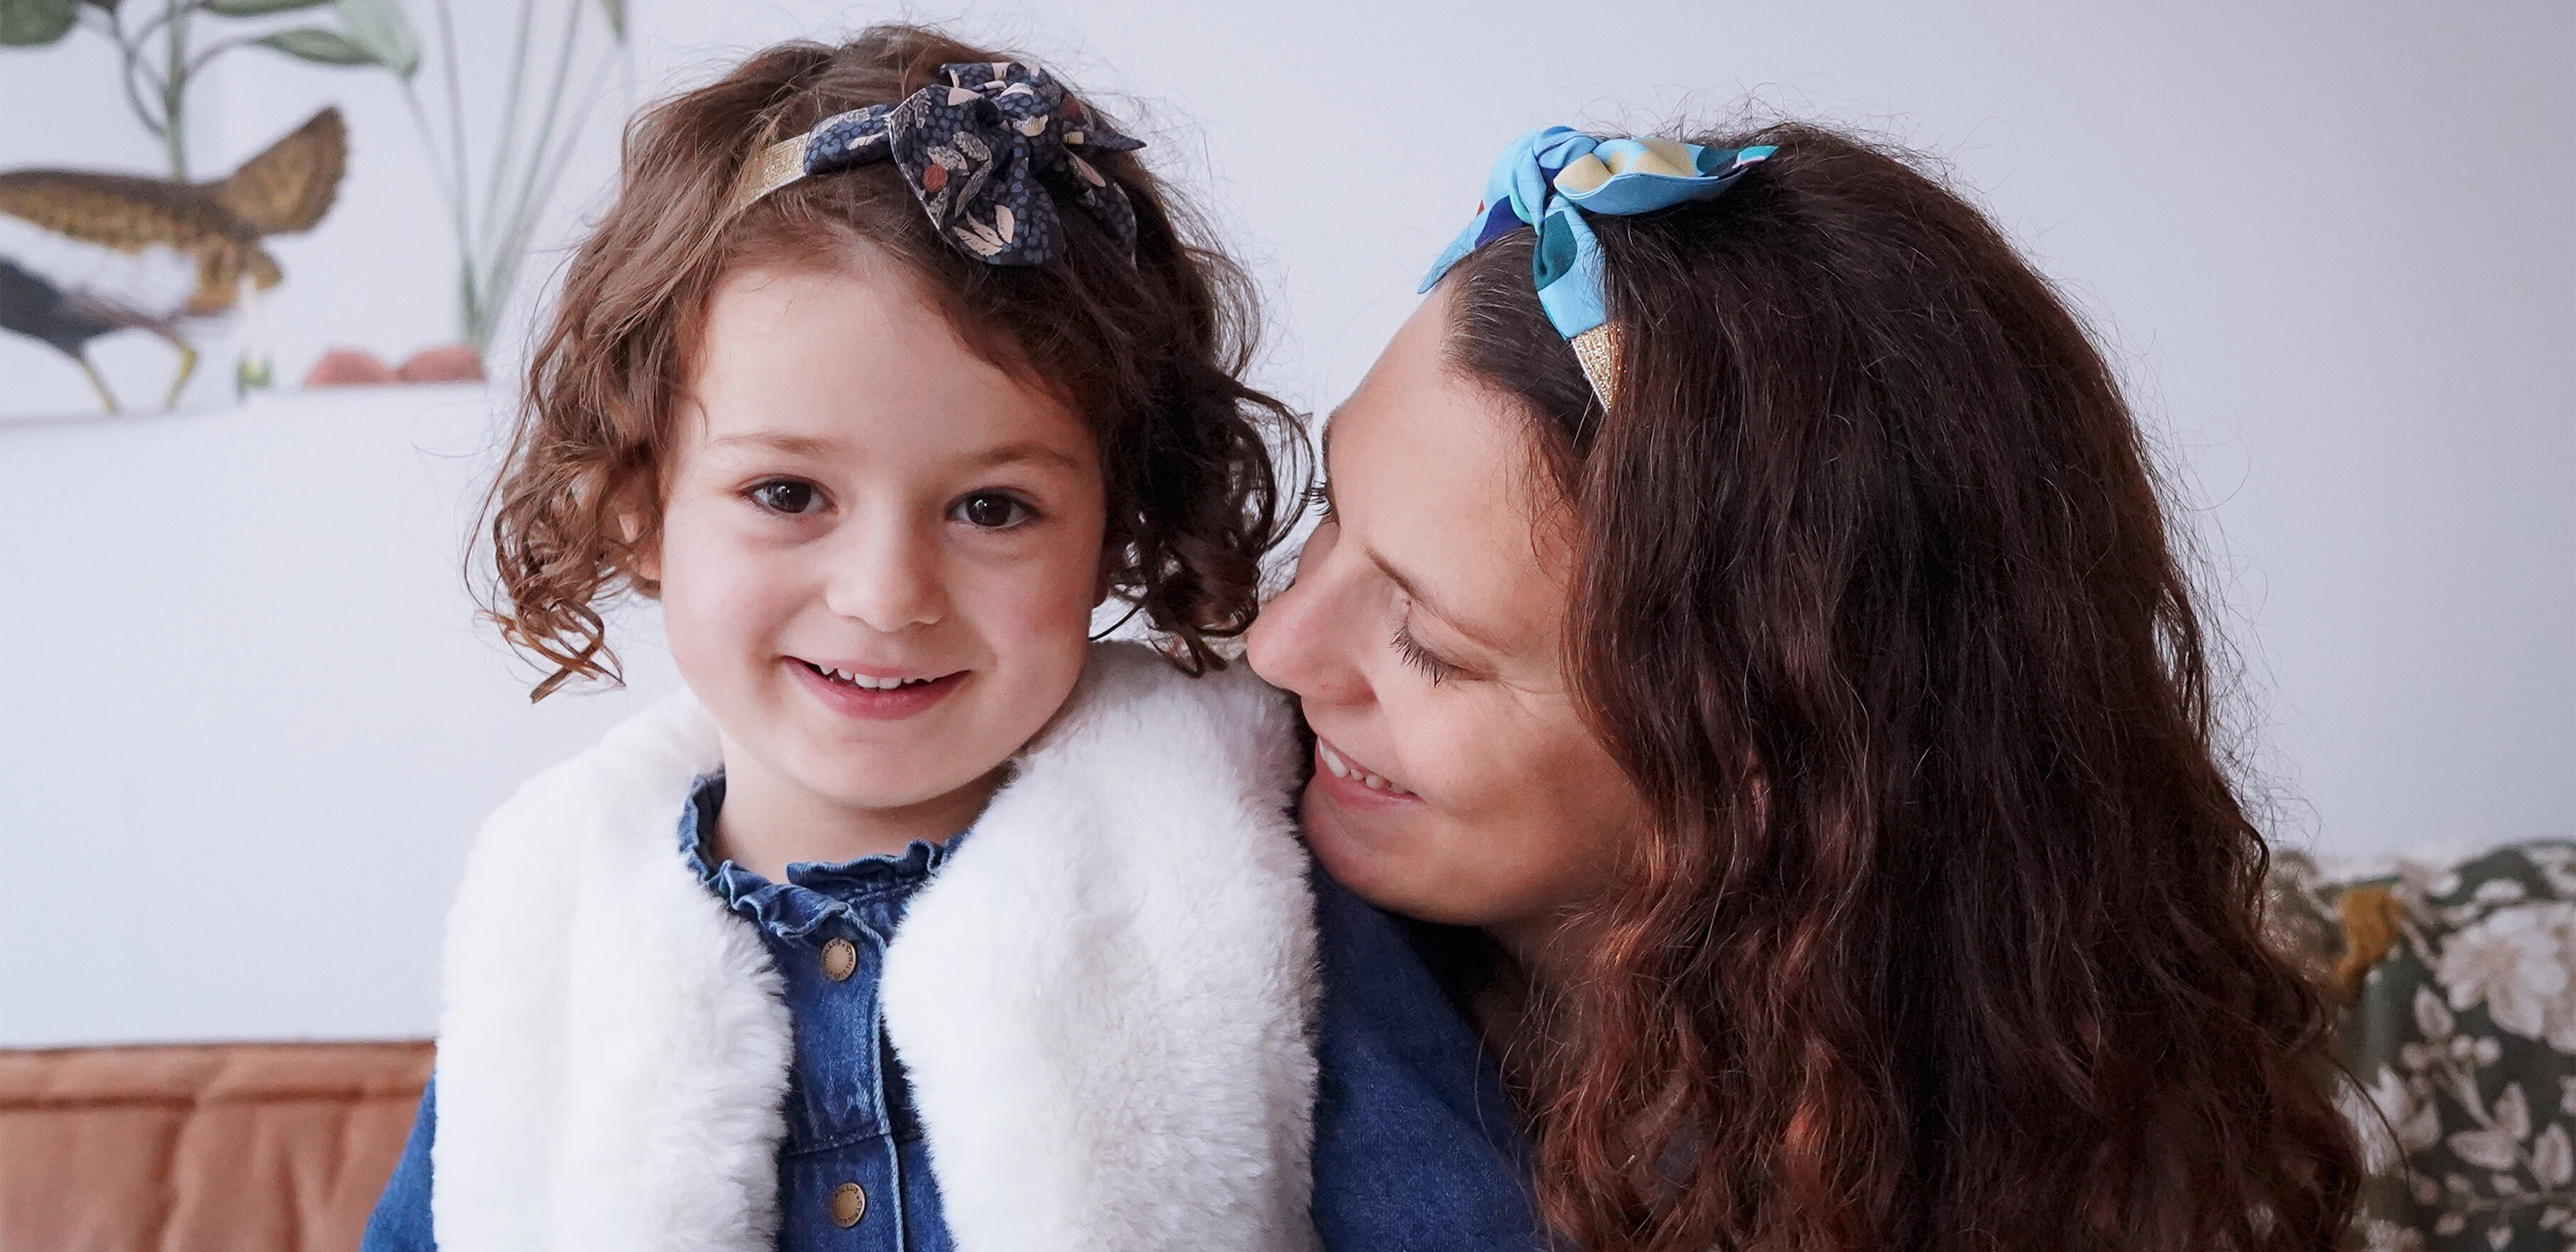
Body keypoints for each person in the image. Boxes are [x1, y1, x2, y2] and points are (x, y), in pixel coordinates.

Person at [1252, 123, 2364, 1251]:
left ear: (1767, 751)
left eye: (1430, 643)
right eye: (1329, 508)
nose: (1277, 646)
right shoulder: (1208, 907)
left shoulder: (2079, 1154)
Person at [361, 27, 1330, 1252]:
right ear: (637, 503)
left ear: (1115, 531)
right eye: (787, 494)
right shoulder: (553, 923)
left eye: (992, 508)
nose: (885, 596)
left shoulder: (1241, 866)